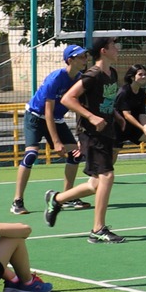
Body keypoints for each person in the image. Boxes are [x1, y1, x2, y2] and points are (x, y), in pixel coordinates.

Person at [46, 39, 122, 242]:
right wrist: (90, 117)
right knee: (107, 176)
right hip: (91, 133)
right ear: (104, 51)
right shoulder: (93, 75)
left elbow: (104, 101)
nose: (118, 50)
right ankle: (98, 229)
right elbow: (67, 99)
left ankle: (57, 199)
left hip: (107, 131)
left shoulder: (112, 74)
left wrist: (116, 115)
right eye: (114, 46)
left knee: (96, 183)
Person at [12, 46, 89, 213]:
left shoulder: (80, 79)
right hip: (35, 116)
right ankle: (17, 201)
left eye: (85, 56)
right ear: (70, 60)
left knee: (76, 154)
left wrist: (80, 137)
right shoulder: (56, 78)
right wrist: (56, 142)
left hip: (56, 119)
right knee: (31, 154)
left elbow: (78, 107)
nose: (85, 59)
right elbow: (48, 111)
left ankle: (68, 197)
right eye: (81, 57)